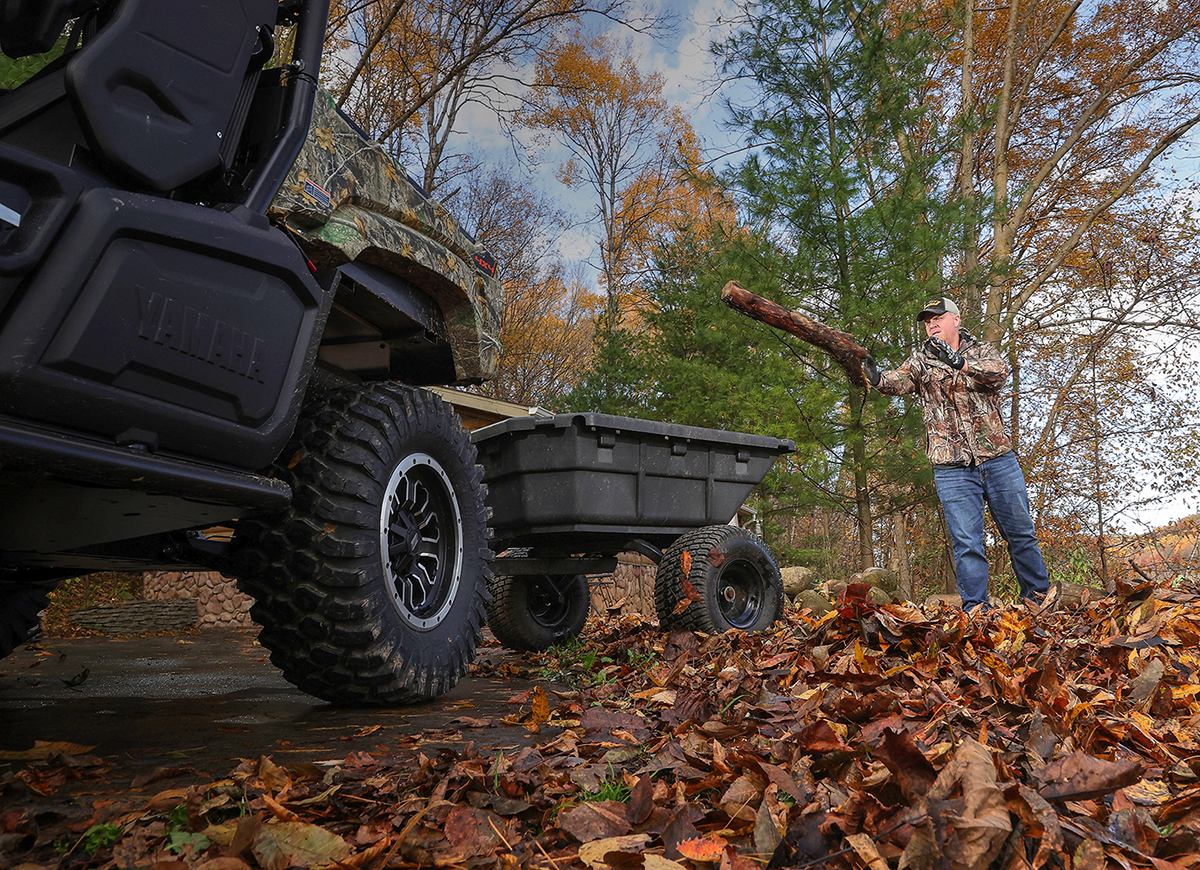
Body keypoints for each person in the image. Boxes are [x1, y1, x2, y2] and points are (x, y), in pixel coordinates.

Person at [863, 297, 1049, 611]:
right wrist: (875, 376)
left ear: (956, 320)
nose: (931, 324)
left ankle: (1039, 602)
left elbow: (998, 375)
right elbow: (897, 382)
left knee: (1021, 535)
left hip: (998, 459)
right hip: (952, 468)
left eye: (937, 318)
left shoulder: (982, 352)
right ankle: (977, 611)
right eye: (926, 321)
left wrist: (957, 362)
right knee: (967, 543)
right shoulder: (921, 360)